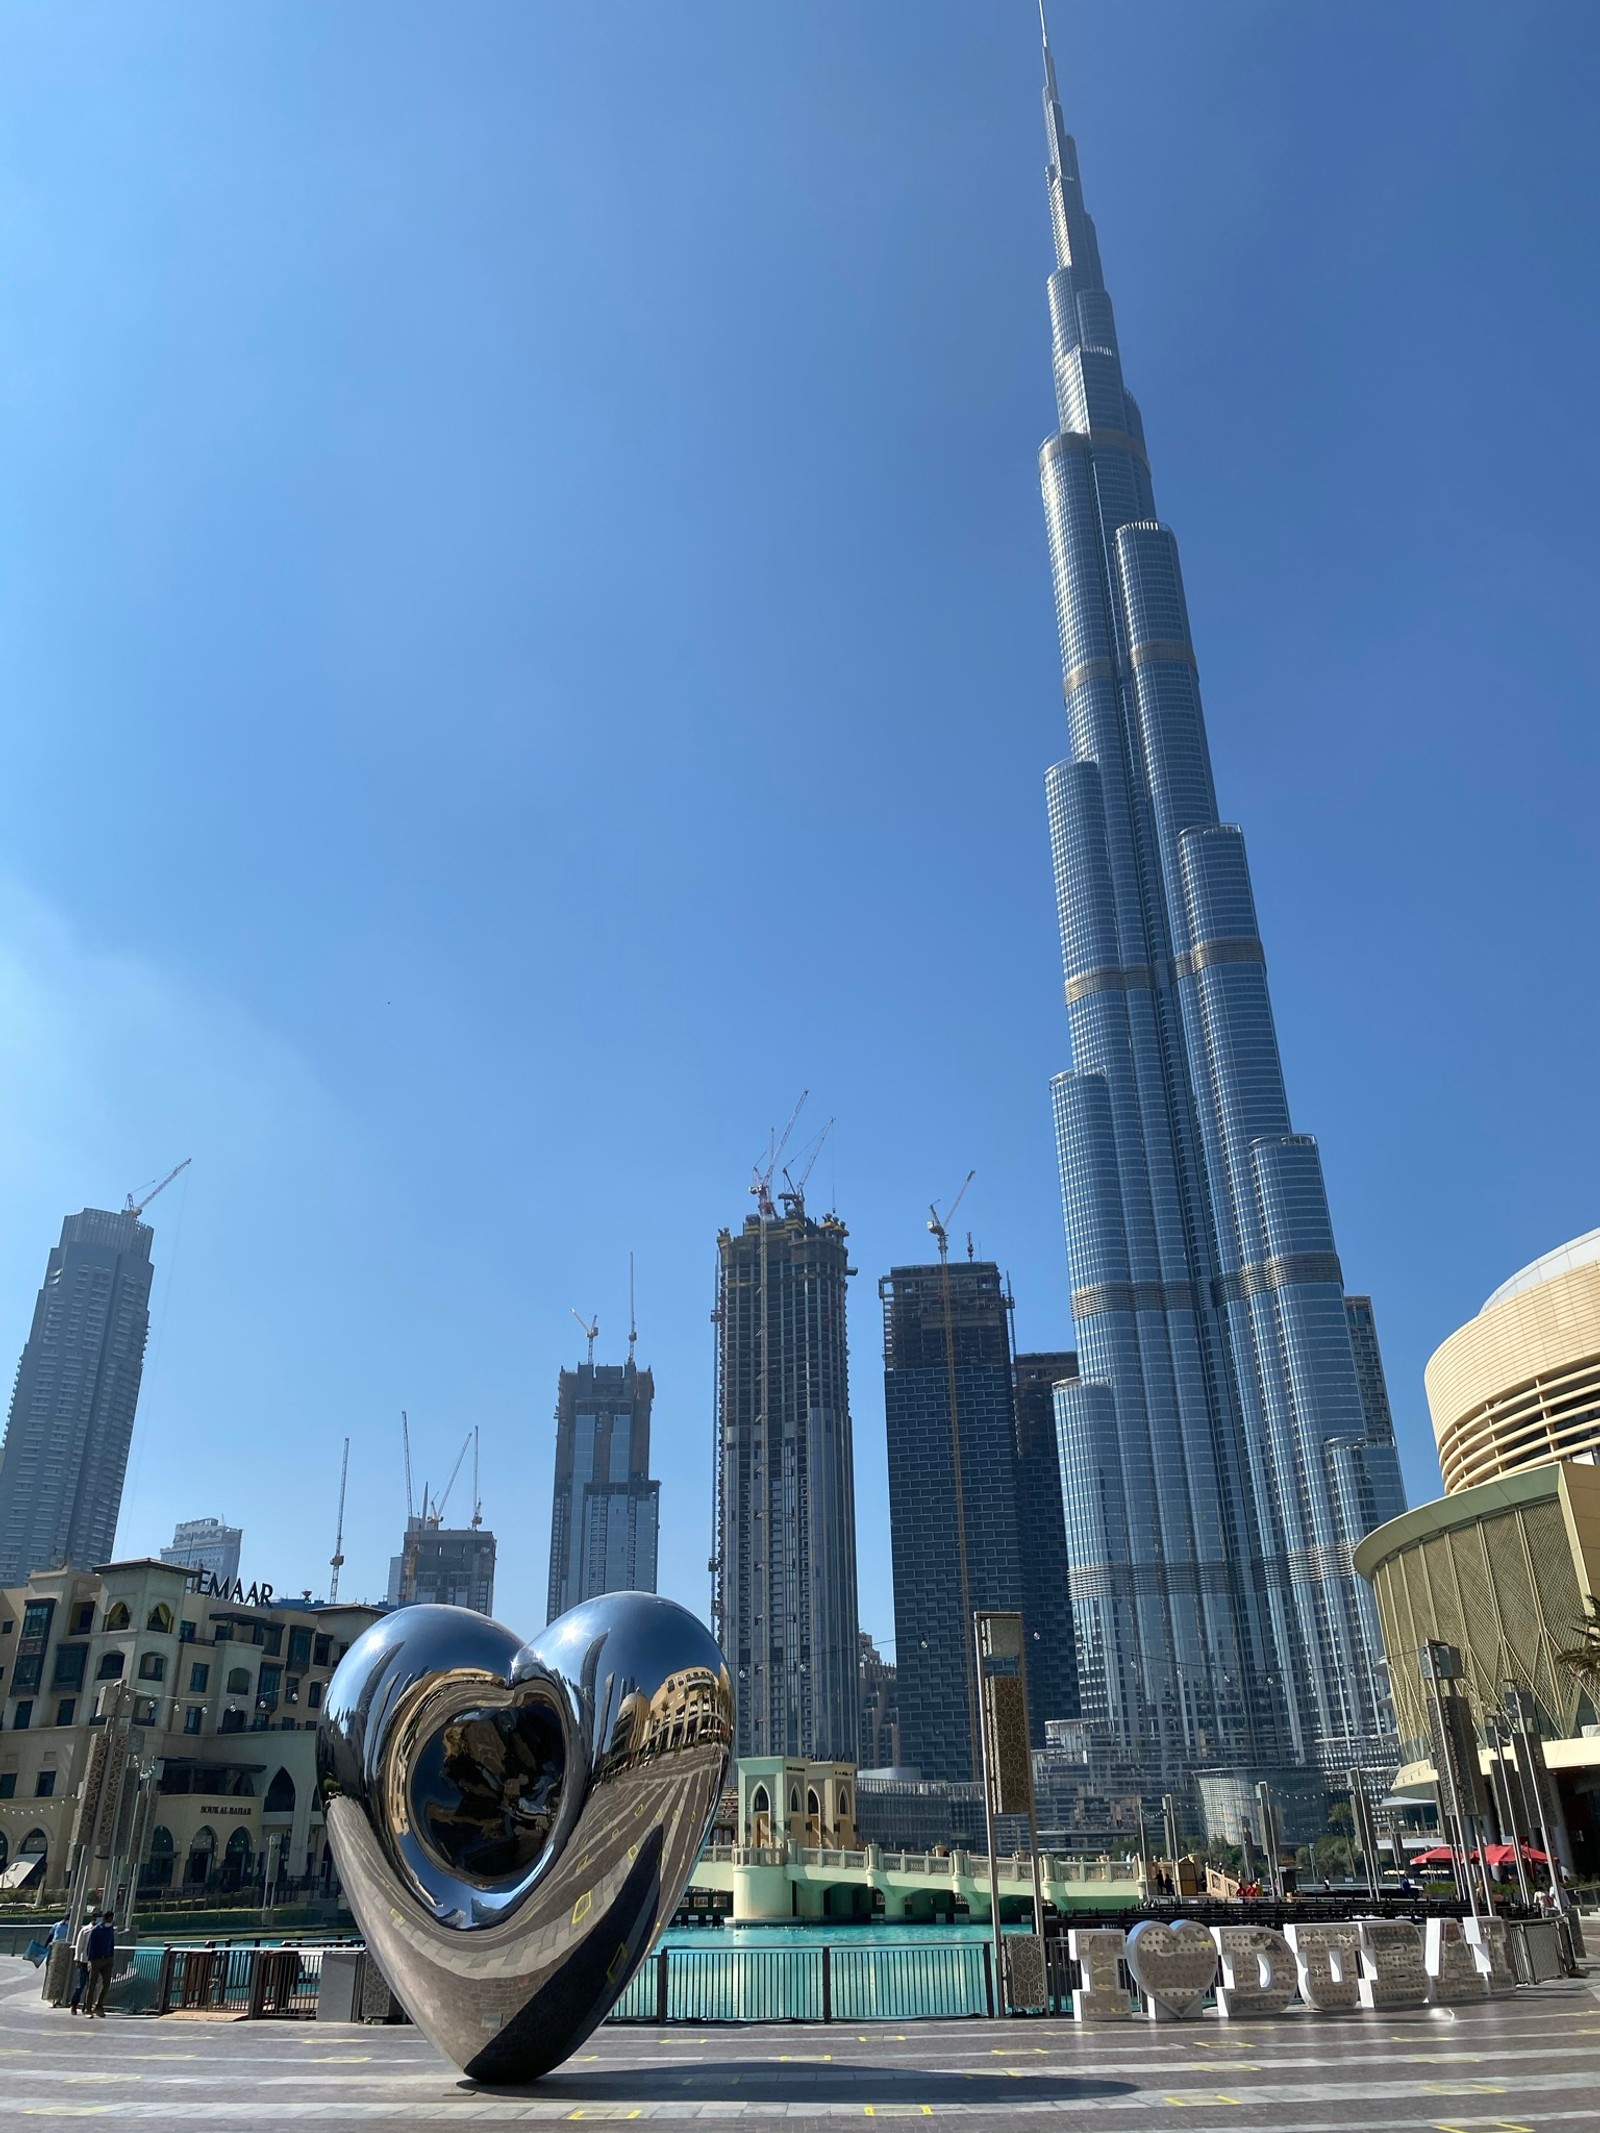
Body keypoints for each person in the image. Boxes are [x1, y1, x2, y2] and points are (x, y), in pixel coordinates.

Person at [81, 1911, 116, 2018]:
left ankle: (99, 2005)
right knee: (92, 1985)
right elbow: (90, 1946)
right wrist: (91, 1960)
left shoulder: (110, 1930)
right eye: (109, 1919)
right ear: (105, 1919)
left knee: (106, 1984)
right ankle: (88, 2009)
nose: (110, 1921)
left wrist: (111, 1957)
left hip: (107, 1960)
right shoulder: (96, 1930)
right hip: (96, 1960)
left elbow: (112, 1943)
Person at [68, 1914, 95, 2014]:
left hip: (94, 1961)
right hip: (84, 1961)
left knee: (91, 1986)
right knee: (81, 1984)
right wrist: (77, 1958)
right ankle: (74, 2004)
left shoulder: (100, 1930)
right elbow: (79, 1945)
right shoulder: (85, 1930)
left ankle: (86, 2006)